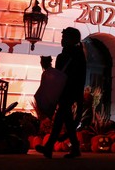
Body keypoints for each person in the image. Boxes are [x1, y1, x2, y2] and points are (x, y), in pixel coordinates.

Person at [37, 27, 87, 159]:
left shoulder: (76, 55)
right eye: (62, 37)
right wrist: (47, 68)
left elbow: (76, 77)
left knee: (60, 118)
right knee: (67, 120)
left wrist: (77, 95)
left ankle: (49, 147)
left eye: (65, 38)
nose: (62, 40)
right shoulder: (66, 55)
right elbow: (59, 75)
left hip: (69, 91)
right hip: (65, 91)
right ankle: (75, 147)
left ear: (73, 39)